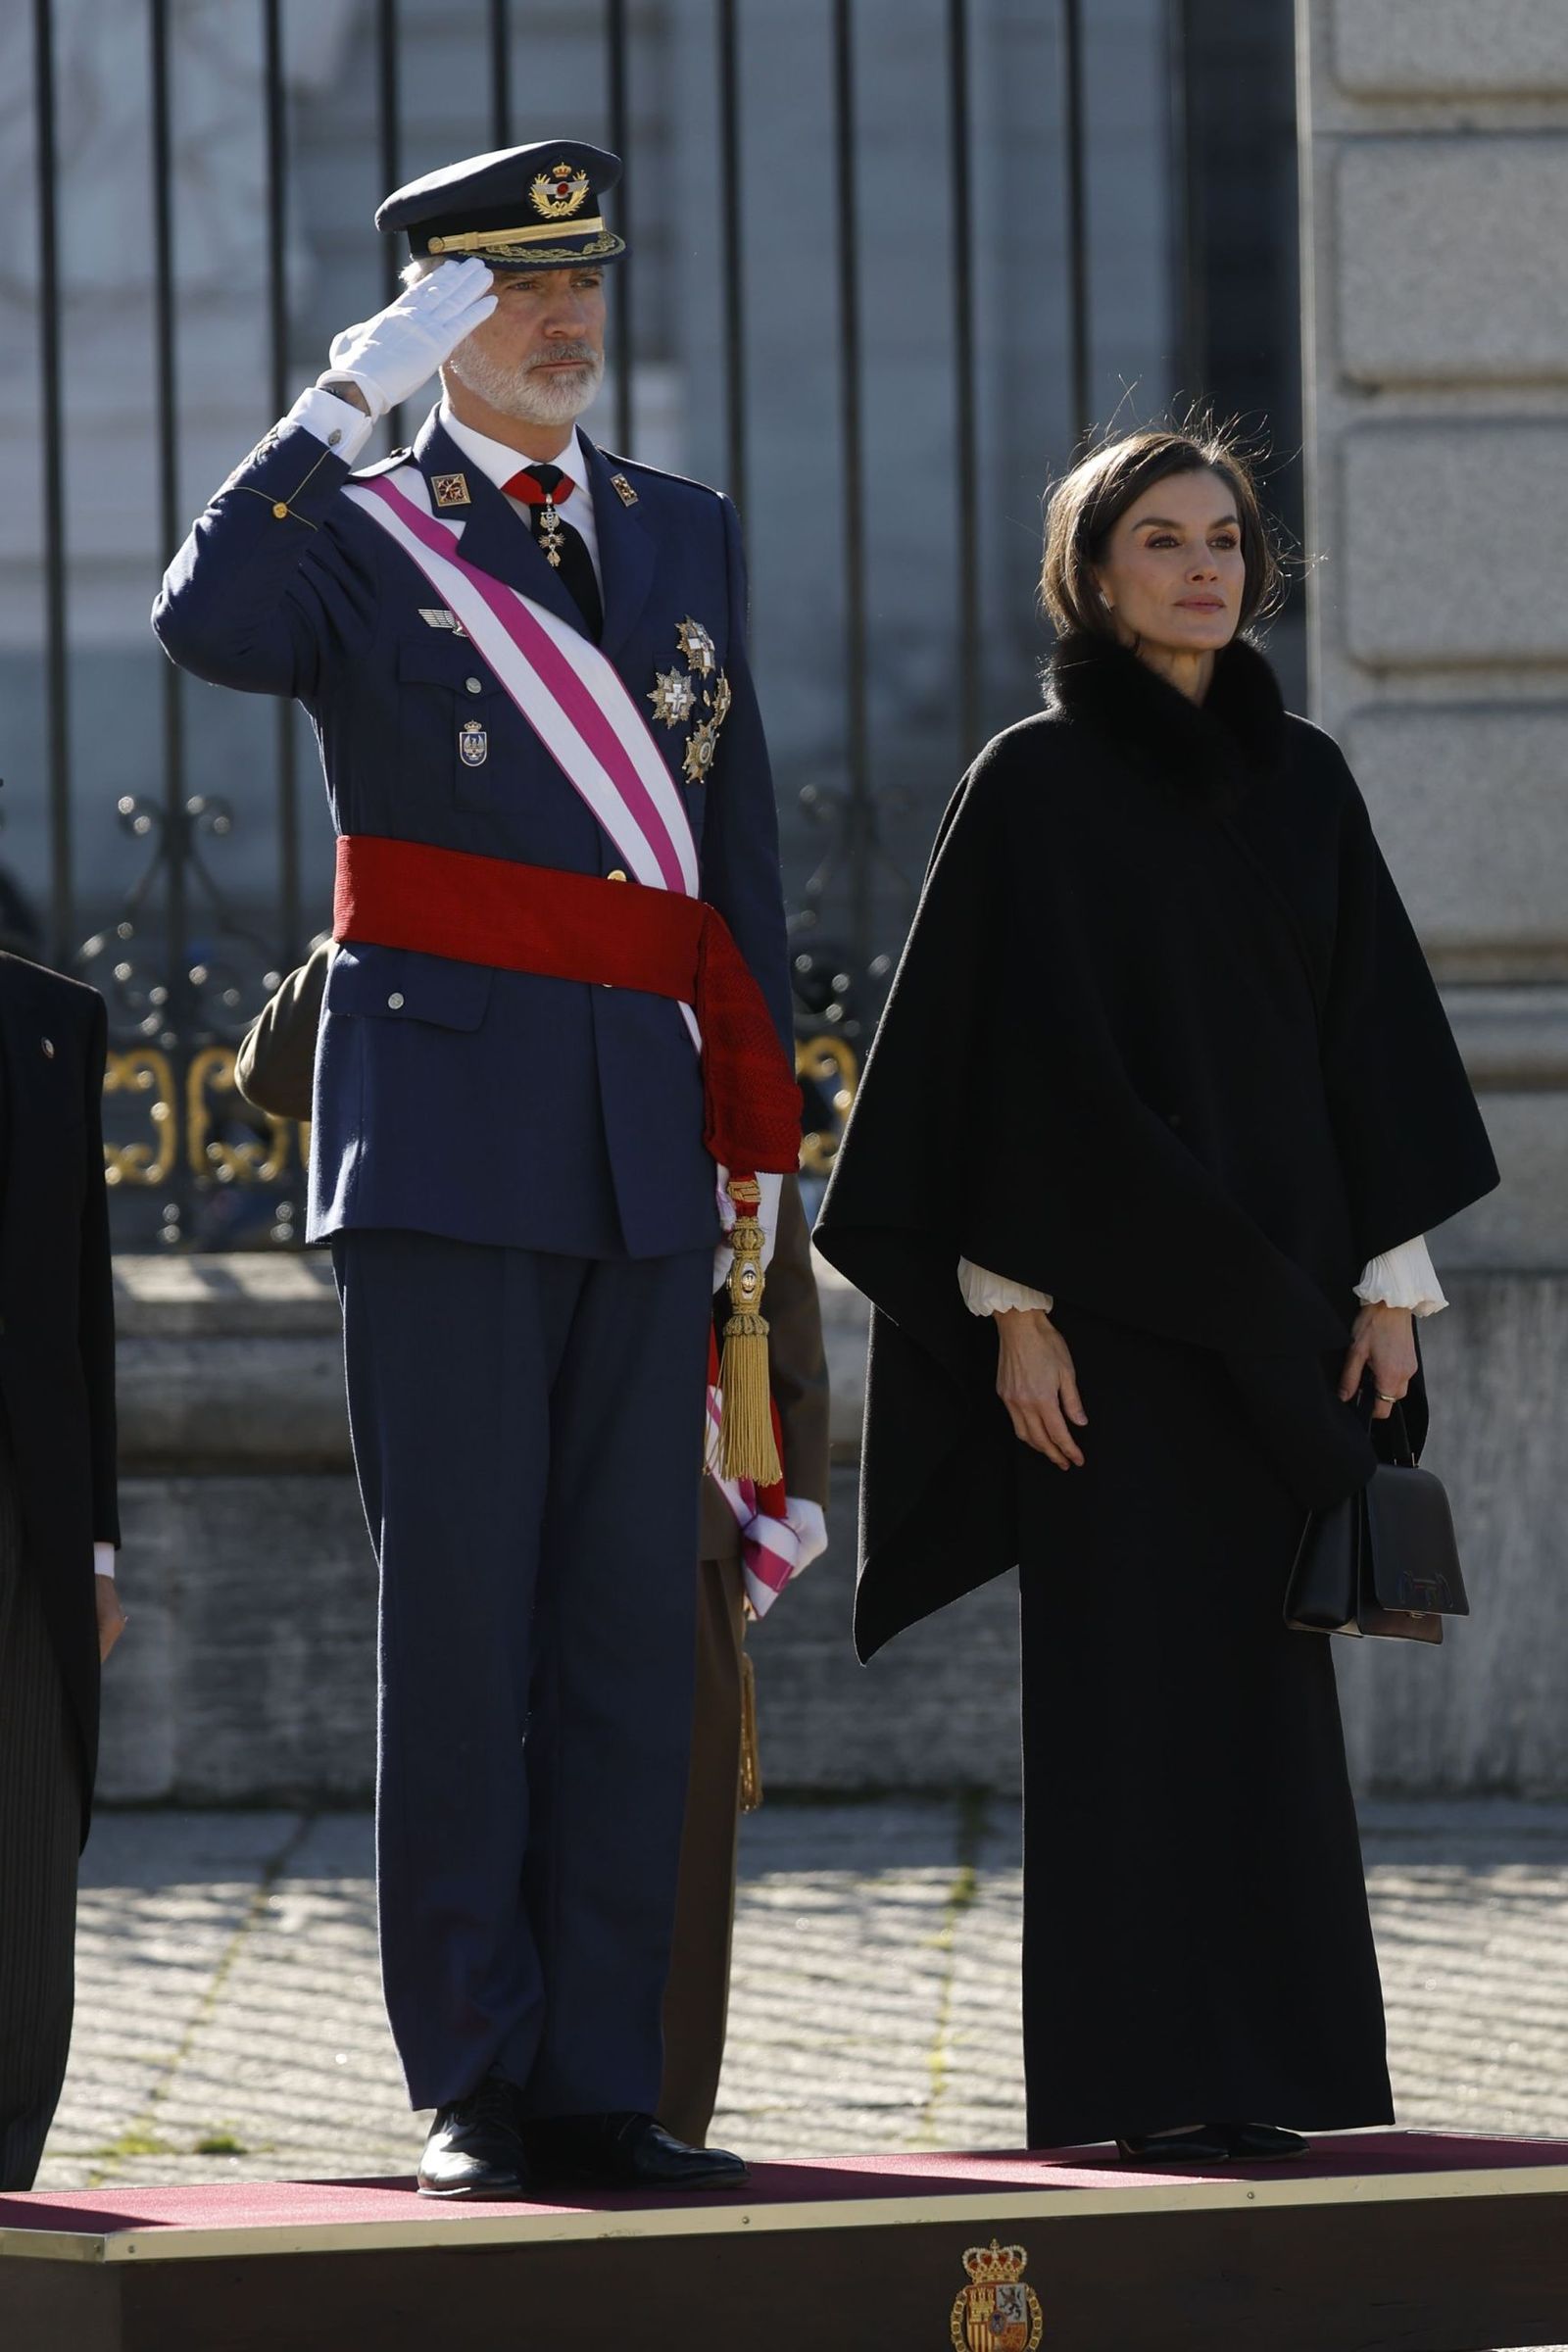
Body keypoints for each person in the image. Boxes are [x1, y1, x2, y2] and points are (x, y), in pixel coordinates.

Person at [154, 140, 802, 2198]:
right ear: (434, 311)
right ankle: (474, 2077)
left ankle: (608, 2080)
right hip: (437, 1131)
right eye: (513, 290)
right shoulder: (352, 529)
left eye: (586, 277)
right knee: (456, 1626)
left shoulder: (677, 529)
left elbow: (735, 847)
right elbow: (205, 619)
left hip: (634, 1132)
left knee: (622, 1624)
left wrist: (756, 1126)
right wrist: (342, 404)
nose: (566, 318)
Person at [813, 423, 1500, 2165]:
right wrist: (1010, 1307)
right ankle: (1128, 2094)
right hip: (1103, 1332)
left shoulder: (1312, 780)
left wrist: (1392, 1286)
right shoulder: (1031, 783)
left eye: (1226, 539)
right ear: (1093, 575)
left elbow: (1375, 1046)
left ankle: (1278, 2081)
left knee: (1270, 1716)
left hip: (1285, 1322)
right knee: (1124, 1706)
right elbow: (995, 1069)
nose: (1204, 567)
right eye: (1162, 540)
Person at [234, 948, 830, 2150]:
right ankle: (485, 2087)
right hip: (479, 1349)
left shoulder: (680, 940)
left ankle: (628, 2109)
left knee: (657, 1808)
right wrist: (387, 920)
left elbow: (774, 1247)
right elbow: (274, 1070)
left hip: (673, 1465)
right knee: (471, 1718)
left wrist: (780, 1483)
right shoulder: (419, 917)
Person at [0, 951, 122, 2189]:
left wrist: (94, 1548)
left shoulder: (53, 1022)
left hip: (24, 1504)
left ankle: (7, 2176)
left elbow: (85, 1304)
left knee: (27, 1844)